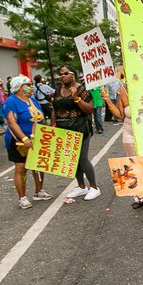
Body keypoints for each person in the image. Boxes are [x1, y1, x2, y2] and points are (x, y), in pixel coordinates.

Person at [105, 81, 143, 209]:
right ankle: (140, 196)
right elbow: (120, 115)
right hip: (129, 133)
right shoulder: (123, 90)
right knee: (134, 165)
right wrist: (108, 100)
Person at [51, 66, 101, 201]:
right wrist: (53, 127)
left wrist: (76, 98)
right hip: (64, 130)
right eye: (61, 74)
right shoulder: (57, 90)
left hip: (80, 127)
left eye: (66, 73)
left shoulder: (81, 90)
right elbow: (54, 109)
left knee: (82, 158)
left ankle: (94, 187)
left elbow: (90, 109)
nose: (63, 76)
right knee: (72, 159)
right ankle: (81, 186)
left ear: (73, 75)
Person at [4, 75, 51, 209]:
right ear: (19, 87)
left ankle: (39, 191)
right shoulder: (11, 101)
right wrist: (23, 138)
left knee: (38, 166)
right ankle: (22, 197)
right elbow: (12, 123)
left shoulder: (33, 100)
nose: (31, 87)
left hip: (36, 139)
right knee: (21, 168)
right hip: (18, 141)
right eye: (28, 85)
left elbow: (39, 119)